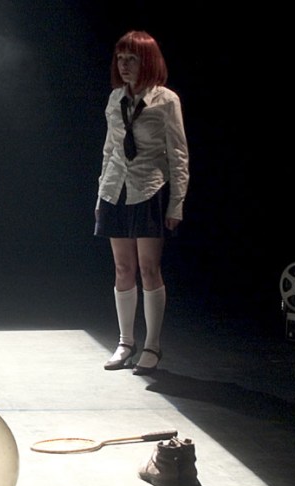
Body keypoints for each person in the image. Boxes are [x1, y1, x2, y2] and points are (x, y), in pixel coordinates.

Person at [95, 30, 189, 375]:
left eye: (131, 59)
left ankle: (152, 345)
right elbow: (109, 150)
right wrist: (101, 193)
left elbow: (178, 155)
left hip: (149, 189)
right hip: (115, 190)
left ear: (147, 61)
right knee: (123, 268)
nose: (124, 65)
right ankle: (125, 342)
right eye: (120, 59)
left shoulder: (166, 100)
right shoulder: (115, 99)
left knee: (149, 268)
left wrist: (176, 204)